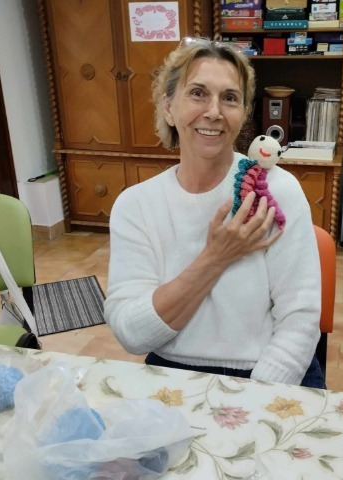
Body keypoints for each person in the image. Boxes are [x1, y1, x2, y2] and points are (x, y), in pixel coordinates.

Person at [104, 37, 324, 388]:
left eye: (230, 98)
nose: (214, 112)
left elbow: (300, 317)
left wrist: (256, 398)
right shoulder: (136, 205)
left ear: (243, 114)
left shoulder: (273, 190)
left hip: (266, 372)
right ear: (168, 107)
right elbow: (132, 333)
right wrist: (216, 257)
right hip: (172, 370)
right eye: (198, 93)